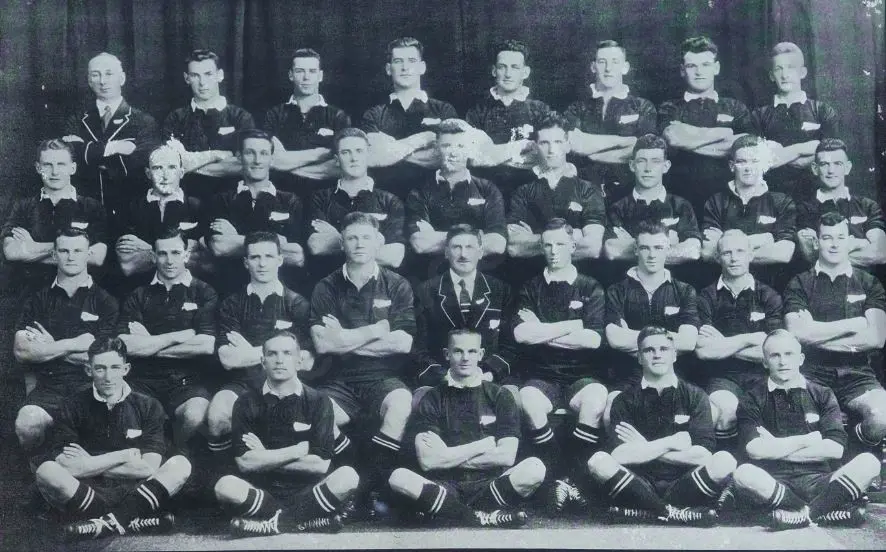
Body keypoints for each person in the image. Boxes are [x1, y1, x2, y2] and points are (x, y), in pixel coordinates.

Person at [35, 337, 191, 541]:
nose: (108, 377)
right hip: (89, 489)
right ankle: (130, 519)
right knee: (46, 471)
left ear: (126, 369)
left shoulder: (148, 405)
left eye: (115, 368)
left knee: (181, 464)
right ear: (88, 370)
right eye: (100, 369)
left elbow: (148, 468)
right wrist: (123, 455)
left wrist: (89, 462)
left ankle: (105, 523)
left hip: (137, 489)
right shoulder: (71, 405)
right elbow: (67, 466)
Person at [387, 329, 543, 528]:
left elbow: (506, 456)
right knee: (398, 478)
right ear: (447, 354)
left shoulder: (500, 395)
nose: (465, 358)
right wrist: (482, 445)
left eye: (471, 351)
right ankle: (477, 516)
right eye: (458, 351)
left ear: (481, 354)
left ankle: (452, 512)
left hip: (489, 484)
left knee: (535, 468)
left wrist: (446, 455)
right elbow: (428, 461)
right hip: (445, 485)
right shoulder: (433, 397)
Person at [585, 326, 736, 526]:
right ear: (639, 357)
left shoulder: (695, 396)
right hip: (639, 482)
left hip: (684, 482)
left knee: (725, 461)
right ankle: (669, 512)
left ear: (674, 355)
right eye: (649, 350)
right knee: (598, 461)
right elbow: (619, 455)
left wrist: (644, 446)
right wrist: (670, 442)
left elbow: (703, 455)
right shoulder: (624, 399)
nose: (657, 355)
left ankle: (648, 511)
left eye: (664, 349)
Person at [309, 212, 415, 495]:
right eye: (352, 238)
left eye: (366, 237)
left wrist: (343, 337)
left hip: (383, 378)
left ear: (378, 242)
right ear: (341, 243)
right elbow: (323, 345)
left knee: (401, 404)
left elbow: (402, 343)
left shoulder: (397, 284)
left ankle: (376, 484)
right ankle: (353, 470)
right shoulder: (326, 286)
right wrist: (377, 330)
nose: (359, 244)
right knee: (316, 411)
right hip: (339, 379)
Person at [214, 332, 359, 536]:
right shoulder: (245, 402)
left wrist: (264, 455)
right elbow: (245, 463)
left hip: (309, 491)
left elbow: (320, 465)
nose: (279, 360)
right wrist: (299, 450)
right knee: (224, 486)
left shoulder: (319, 401)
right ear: (263, 362)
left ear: (299, 361)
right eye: (272, 354)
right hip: (263, 491)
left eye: (287, 353)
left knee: (348, 477)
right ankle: (303, 523)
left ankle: (273, 525)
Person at [731, 329, 878, 529]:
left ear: (800, 359)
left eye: (788, 354)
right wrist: (808, 440)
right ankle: (825, 511)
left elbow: (835, 449)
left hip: (821, 481)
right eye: (775, 355)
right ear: (765, 362)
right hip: (774, 481)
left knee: (870, 462)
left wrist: (774, 446)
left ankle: (803, 514)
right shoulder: (752, 398)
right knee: (743, 474)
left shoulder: (822, 393)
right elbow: (755, 450)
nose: (783, 362)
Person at [512, 218, 606, 511]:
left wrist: (541, 330)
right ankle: (557, 474)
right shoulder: (530, 286)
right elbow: (522, 335)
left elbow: (592, 340)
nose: (554, 251)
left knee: (596, 398)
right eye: (548, 245)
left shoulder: (590, 286)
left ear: (573, 246)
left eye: (561, 244)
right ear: (541, 247)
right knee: (527, 399)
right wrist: (573, 325)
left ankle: (572, 477)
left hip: (581, 375)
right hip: (542, 376)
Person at [205, 232, 314, 467]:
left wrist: (249, 351)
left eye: (268, 256)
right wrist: (281, 353)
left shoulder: (298, 304)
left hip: (286, 385)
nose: (262, 263)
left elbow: (306, 360)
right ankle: (224, 474)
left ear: (280, 260)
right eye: (255, 257)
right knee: (217, 413)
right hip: (243, 383)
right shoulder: (232, 304)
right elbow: (228, 359)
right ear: (246, 262)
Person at [784, 212, 886, 459]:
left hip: (857, 375)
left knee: (882, 416)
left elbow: (876, 338)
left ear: (849, 241)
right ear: (816, 242)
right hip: (811, 373)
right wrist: (853, 324)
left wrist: (815, 331)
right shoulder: (799, 283)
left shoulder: (869, 283)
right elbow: (795, 335)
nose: (834, 244)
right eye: (827, 237)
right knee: (797, 421)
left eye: (840, 237)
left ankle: (854, 455)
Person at [13, 229, 119, 452]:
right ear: (54, 255)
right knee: (27, 423)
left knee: (101, 438)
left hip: (94, 387)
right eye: (64, 251)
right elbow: (22, 351)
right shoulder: (37, 300)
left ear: (88, 254)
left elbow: (102, 359)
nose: (71, 257)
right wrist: (76, 343)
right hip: (50, 387)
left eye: (78, 251)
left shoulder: (106, 301)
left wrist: (49, 346)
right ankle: (39, 469)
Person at [116, 227, 217, 452]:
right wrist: (179, 336)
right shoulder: (138, 294)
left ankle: (175, 452)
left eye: (175, 253)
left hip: (186, 381)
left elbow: (205, 345)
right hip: (142, 380)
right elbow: (125, 345)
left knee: (195, 414)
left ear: (186, 255)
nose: (169, 260)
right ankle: (153, 456)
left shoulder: (204, 292)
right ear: (153, 256)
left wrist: (149, 344)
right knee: (124, 414)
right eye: (162, 253)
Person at [695, 229, 783, 451]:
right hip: (722, 376)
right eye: (727, 253)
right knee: (727, 412)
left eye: (740, 251)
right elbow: (704, 351)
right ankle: (726, 468)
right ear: (718, 257)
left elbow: (774, 351)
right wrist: (752, 338)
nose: (734, 258)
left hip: (763, 376)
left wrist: (722, 342)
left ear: (751, 255)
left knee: (770, 416)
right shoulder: (705, 296)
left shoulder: (769, 296)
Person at [605, 221, 699, 399]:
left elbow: (688, 342)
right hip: (628, 377)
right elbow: (615, 339)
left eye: (658, 248)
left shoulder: (685, 291)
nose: (652, 255)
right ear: (636, 250)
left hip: (674, 376)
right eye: (645, 248)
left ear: (668, 249)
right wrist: (669, 342)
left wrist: (632, 338)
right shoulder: (617, 290)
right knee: (611, 404)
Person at [658, 36, 752, 216]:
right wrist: (724, 134)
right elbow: (673, 138)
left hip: (728, 201)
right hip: (680, 200)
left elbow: (744, 146)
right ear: (682, 70)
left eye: (705, 65)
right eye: (691, 66)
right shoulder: (669, 107)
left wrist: (688, 135)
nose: (699, 72)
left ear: (716, 68)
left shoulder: (736, 107)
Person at [413, 225, 516, 388]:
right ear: (446, 252)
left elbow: (510, 346)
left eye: (469, 247)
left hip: (489, 380)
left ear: (480, 252)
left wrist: (488, 374)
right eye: (456, 247)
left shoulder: (501, 290)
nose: (463, 254)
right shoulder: (426, 291)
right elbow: (419, 348)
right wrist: (444, 377)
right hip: (442, 382)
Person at [205, 129, 305, 293]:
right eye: (250, 153)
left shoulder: (290, 201)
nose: (257, 160)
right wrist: (276, 241)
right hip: (232, 291)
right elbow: (220, 246)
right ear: (239, 156)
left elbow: (296, 255)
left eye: (264, 153)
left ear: (271, 158)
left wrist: (236, 237)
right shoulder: (221, 200)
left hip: (280, 293)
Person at [406, 120, 507, 281]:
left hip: (481, 277)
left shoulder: (487, 189)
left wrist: (436, 237)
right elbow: (420, 243)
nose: (453, 153)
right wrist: (478, 237)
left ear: (470, 149)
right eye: (447, 146)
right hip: (433, 278)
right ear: (437, 148)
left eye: (460, 146)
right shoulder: (419, 191)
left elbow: (497, 244)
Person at [62, 52, 159, 220]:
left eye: (109, 74)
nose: (102, 81)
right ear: (89, 81)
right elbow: (70, 156)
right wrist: (115, 148)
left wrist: (89, 152)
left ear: (122, 78)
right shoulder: (77, 119)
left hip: (129, 208)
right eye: (96, 74)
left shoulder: (144, 121)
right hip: (86, 208)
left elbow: (138, 164)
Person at [2, 140, 108, 290]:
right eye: (47, 165)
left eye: (61, 164)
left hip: (76, 293)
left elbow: (97, 257)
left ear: (73, 168)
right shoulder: (23, 206)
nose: (55, 172)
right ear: (38, 168)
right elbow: (11, 252)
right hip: (30, 292)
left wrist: (32, 247)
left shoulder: (91, 207)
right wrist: (75, 250)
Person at [360, 37, 458, 200]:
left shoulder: (443, 110)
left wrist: (391, 150)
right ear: (388, 69)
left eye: (411, 61)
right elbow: (372, 157)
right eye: (398, 61)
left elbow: (445, 156)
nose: (405, 68)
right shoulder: (373, 114)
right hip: (385, 200)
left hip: (434, 200)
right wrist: (423, 139)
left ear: (422, 67)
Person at [506, 114, 606, 267]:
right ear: (535, 146)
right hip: (532, 274)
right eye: (544, 143)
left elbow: (592, 247)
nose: (552, 150)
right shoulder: (523, 189)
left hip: (577, 275)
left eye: (558, 142)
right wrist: (573, 236)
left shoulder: (588, 189)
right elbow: (514, 247)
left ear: (567, 145)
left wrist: (535, 239)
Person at [307, 128, 406, 280]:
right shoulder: (320, 198)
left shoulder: (389, 201)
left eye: (359, 151)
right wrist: (375, 241)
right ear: (336, 159)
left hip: (377, 286)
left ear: (368, 155)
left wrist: (337, 238)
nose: (354, 158)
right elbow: (316, 246)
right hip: (331, 284)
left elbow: (394, 257)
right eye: (346, 152)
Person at [564, 40, 657, 204]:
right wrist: (625, 141)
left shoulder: (642, 106)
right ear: (593, 67)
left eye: (615, 62)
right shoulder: (577, 108)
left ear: (625, 67)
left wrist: (591, 153)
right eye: (602, 62)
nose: (608, 68)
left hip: (629, 196)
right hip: (583, 195)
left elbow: (644, 151)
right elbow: (575, 145)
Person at [700, 135, 796, 289]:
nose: (748, 167)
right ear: (732, 166)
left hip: (769, 289)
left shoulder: (781, 202)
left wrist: (727, 251)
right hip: (724, 289)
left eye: (755, 161)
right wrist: (765, 239)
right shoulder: (716, 202)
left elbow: (784, 253)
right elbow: (708, 252)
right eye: (741, 161)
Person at [162, 49, 256, 202]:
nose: (202, 83)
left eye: (208, 74)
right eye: (195, 75)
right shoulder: (175, 118)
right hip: (185, 201)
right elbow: (168, 166)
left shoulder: (241, 117)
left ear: (220, 75)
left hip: (232, 201)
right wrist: (217, 155)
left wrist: (188, 164)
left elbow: (244, 165)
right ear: (186, 78)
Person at [464, 39, 552, 202]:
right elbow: (473, 158)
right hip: (486, 196)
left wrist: (493, 154)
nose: (508, 74)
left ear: (525, 72)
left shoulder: (540, 110)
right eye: (502, 67)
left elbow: (547, 157)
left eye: (515, 67)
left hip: (531, 196)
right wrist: (523, 147)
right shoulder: (477, 111)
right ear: (494, 71)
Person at [751, 42, 838, 199]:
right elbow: (759, 160)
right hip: (772, 197)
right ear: (771, 75)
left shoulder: (822, 111)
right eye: (779, 69)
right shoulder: (759, 115)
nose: (785, 75)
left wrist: (784, 153)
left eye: (790, 67)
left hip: (816, 197)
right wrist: (808, 148)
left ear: (802, 72)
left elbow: (831, 155)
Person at [603, 134, 701, 271]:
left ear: (666, 166)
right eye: (641, 161)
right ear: (632, 165)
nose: (648, 168)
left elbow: (692, 251)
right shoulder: (618, 208)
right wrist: (668, 244)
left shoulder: (681, 205)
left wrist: (635, 245)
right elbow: (612, 249)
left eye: (655, 161)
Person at [262, 48, 350, 200]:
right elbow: (271, 160)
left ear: (320, 76)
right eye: (300, 71)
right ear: (291, 75)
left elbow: (341, 166)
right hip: (281, 199)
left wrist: (287, 163)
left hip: (327, 200)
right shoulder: (274, 115)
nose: (306, 77)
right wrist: (321, 153)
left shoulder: (338, 116)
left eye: (312, 71)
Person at [115, 144, 206, 281]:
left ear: (181, 173)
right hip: (142, 287)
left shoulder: (197, 206)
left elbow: (205, 262)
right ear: (148, 173)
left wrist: (147, 250)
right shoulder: (130, 207)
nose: (165, 175)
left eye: (172, 167)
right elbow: (128, 264)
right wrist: (179, 252)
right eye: (157, 168)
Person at [796, 139, 886, 268]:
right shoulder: (803, 209)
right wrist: (861, 243)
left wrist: (829, 254)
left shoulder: (868, 206)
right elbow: (811, 254)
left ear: (847, 167)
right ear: (815, 169)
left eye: (837, 164)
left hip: (863, 280)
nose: (831, 170)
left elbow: (881, 253)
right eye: (824, 164)